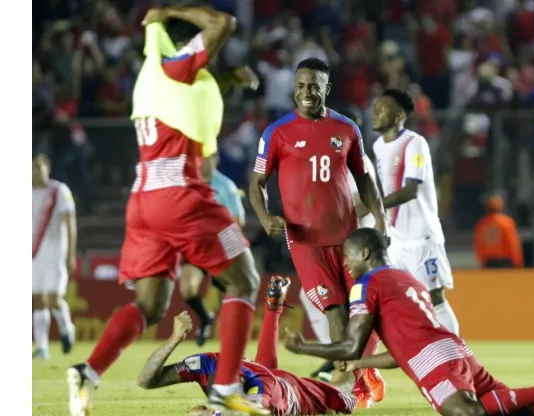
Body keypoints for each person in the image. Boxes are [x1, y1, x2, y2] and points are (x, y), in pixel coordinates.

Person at [66, 5, 267, 415]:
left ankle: (89, 372)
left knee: (151, 306)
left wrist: (228, 78)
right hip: (181, 193)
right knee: (245, 280)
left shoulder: (151, 76)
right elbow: (223, 23)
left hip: (143, 199)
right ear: (184, 43)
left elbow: (187, 99)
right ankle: (225, 389)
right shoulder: (176, 64)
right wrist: (167, 10)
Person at [284, 228, 534, 416]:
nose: (345, 264)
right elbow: (398, 353)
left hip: (433, 359)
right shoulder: (406, 279)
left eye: (347, 257)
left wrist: (304, 347)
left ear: (363, 254)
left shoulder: (366, 285)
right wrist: (362, 363)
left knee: (466, 413)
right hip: (453, 349)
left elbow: (350, 343)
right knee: (511, 411)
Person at [248, 57, 388, 407]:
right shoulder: (277, 132)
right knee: (336, 311)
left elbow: (366, 180)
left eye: (314, 86)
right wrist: (265, 217)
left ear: (326, 88)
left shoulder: (347, 128)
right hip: (306, 243)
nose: (306, 92)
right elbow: (257, 182)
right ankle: (347, 391)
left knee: (370, 310)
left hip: (349, 240)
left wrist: (382, 221)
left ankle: (358, 372)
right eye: (300, 86)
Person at [137, 277, 356, 416]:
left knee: (346, 391)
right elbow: (146, 380)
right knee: (265, 371)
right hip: (274, 381)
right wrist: (173, 340)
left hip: (300, 393)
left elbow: (248, 409)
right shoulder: (208, 363)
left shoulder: (259, 390)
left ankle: (363, 358)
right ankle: (274, 309)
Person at [369, 89, 460, 336]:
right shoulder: (378, 146)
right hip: (396, 239)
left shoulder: (414, 143)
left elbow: (410, 190)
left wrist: (374, 206)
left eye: (382, 108)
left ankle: (459, 359)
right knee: (394, 299)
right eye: (375, 107)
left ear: (399, 115)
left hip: (421, 237)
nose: (374, 112)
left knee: (435, 297)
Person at [297, 108, 378, 382]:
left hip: (357, 247)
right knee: (316, 299)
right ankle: (340, 357)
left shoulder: (359, 162)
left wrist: (337, 210)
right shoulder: (323, 162)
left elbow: (368, 202)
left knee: (358, 305)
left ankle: (357, 364)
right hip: (332, 245)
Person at [179, 152, 247, 347]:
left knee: (226, 296)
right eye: (199, 157)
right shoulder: (190, 183)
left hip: (222, 249)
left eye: (207, 158)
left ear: (216, 159)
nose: (203, 162)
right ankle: (205, 318)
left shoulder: (225, 186)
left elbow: (238, 221)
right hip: (198, 248)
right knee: (187, 289)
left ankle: (231, 342)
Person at [32, 154, 77, 359]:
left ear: (47, 168)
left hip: (56, 254)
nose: (35, 172)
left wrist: (71, 254)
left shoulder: (59, 191)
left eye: (39, 167)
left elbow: (70, 223)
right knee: (37, 300)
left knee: (54, 299)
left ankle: (67, 328)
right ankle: (42, 348)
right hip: (33, 256)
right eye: (32, 168)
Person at [473, 196, 524, 268]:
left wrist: (482, 261)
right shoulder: (507, 222)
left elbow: (479, 245)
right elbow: (512, 243)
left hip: (489, 262)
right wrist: (517, 261)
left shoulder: (482, 224)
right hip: (505, 261)